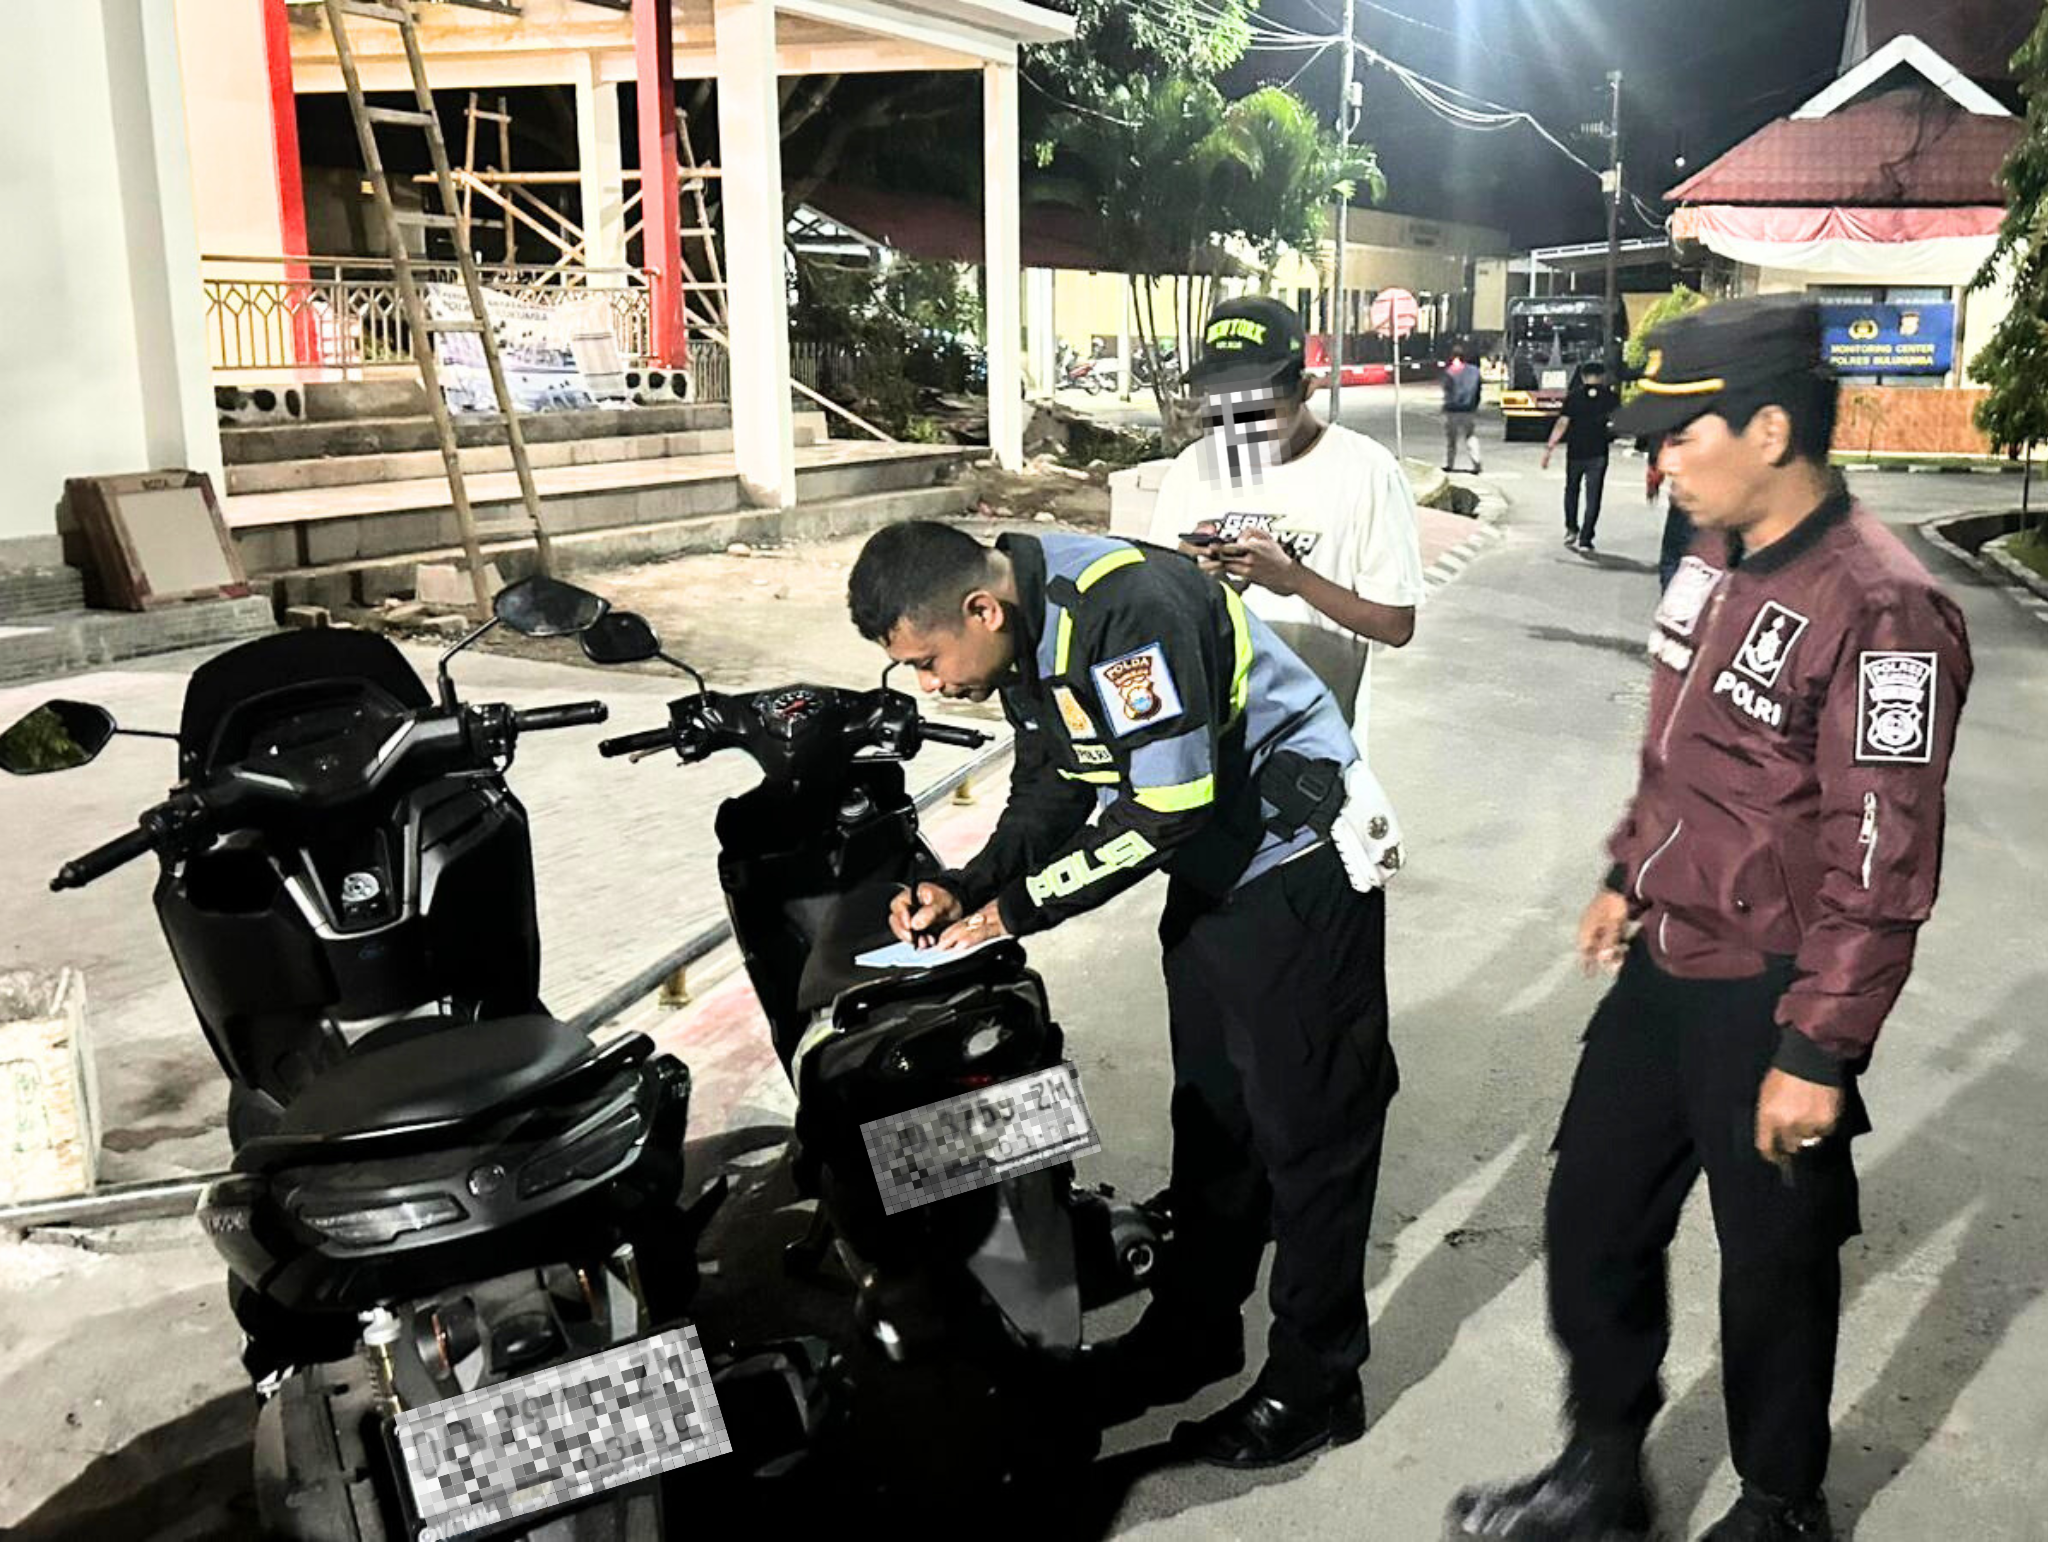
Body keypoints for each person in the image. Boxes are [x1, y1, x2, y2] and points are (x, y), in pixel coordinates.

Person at [1449, 296, 1973, 1542]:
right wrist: (1627, 870)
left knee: (1772, 1265)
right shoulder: (1709, 553)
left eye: (1682, 436)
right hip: (1669, 953)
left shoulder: (1882, 609)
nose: (1661, 461)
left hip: (1774, 982)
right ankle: (1602, 1472)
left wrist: (1816, 1047)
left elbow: (1881, 853)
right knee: (1591, 1215)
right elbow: (1679, 750)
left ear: (1770, 430)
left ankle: (1778, 1507)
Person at [846, 508, 1403, 1471]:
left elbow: (1167, 807)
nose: (933, 686)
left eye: (929, 663)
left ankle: (1318, 1382)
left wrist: (1018, 909)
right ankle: (1194, 1336)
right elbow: (1055, 781)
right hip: (1216, 875)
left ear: (980, 609)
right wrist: (970, 884)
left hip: (1295, 871)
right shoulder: (1027, 627)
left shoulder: (1126, 612)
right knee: (1216, 1121)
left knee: (1311, 1137)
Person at [1145, 294, 1428, 755]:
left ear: (1305, 388)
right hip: (1208, 743)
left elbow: (1395, 625)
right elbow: (1154, 607)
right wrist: (1188, 571)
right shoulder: (1194, 467)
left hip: (1312, 752)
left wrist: (1292, 578)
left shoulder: (1367, 472)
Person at [1541, 360, 1619, 552]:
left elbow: (1562, 423)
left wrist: (1549, 448)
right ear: (1602, 377)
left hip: (1575, 452)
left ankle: (1571, 529)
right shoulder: (1611, 398)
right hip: (1598, 453)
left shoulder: (1574, 397)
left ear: (1583, 377)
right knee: (1594, 496)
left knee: (1571, 491)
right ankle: (1586, 538)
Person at [1441, 343, 1485, 474]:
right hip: (1468, 410)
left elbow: (1447, 391)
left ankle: (1450, 464)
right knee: (1470, 436)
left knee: (1452, 440)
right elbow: (1478, 391)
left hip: (1452, 410)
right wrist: (1475, 405)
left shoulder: (1450, 372)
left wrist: (1446, 405)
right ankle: (1476, 463)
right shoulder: (1474, 371)